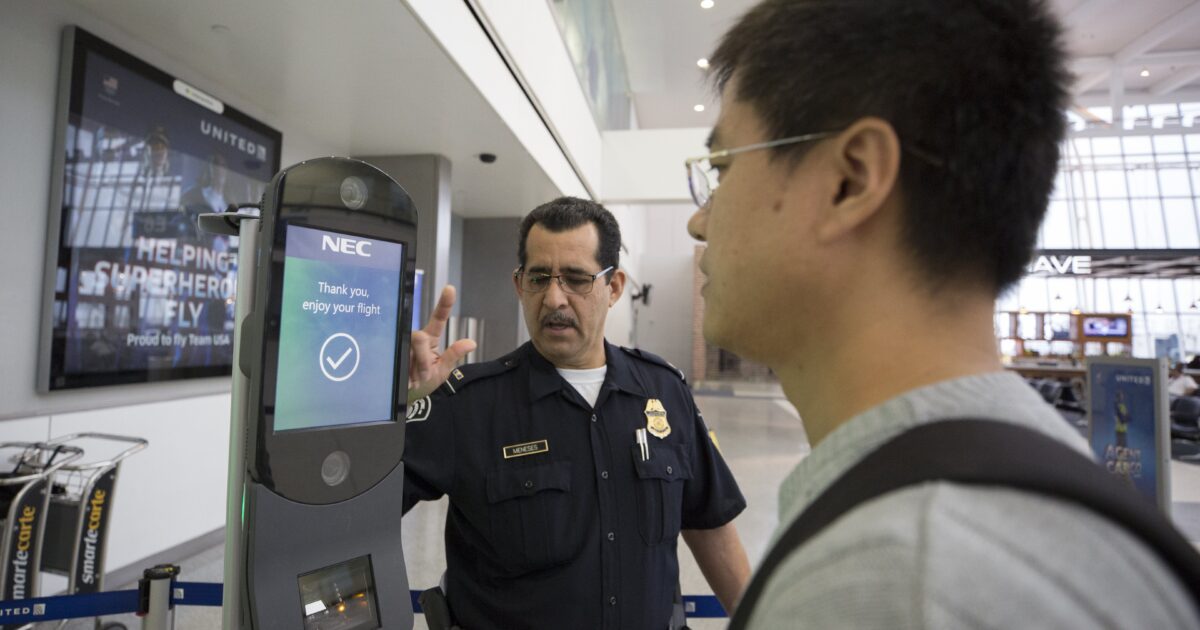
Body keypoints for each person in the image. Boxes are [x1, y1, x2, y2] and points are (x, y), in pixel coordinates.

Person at [685, 0, 1200, 627]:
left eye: (722, 167)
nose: (699, 220)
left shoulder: (898, 580)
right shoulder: (1022, 484)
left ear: (850, 180)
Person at [403, 197, 750, 630]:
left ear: (615, 286)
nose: (553, 298)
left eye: (575, 279)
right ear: (518, 284)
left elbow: (708, 522)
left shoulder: (663, 391)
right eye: (538, 278)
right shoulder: (469, 403)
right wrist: (403, 409)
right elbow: (354, 506)